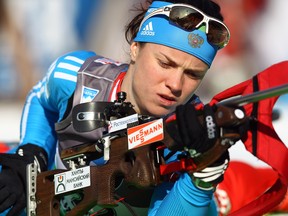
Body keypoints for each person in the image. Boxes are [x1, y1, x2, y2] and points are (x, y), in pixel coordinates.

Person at [0, 0, 243, 215]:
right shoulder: (76, 75)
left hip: (213, 198)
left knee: (241, 189)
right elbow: (42, 98)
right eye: (165, 64)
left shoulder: (194, 132)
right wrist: (32, 153)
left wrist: (203, 173)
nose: (175, 85)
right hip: (60, 194)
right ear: (136, 48)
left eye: (193, 74)